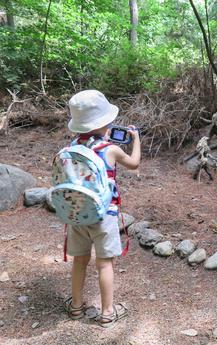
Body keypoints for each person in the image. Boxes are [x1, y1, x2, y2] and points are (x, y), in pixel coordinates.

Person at [62, 90, 140, 328]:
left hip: (77, 214)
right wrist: (136, 140)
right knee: (104, 264)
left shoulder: (72, 147)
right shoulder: (110, 149)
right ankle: (107, 313)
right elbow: (134, 163)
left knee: (79, 261)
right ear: (106, 123)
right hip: (104, 216)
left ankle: (76, 306)